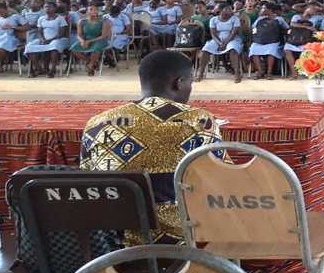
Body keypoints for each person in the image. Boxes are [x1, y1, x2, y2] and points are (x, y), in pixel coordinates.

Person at [80, 50, 227, 244]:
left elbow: (87, 179)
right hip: (186, 244)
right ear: (179, 82)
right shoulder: (199, 120)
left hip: (114, 247)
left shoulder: (98, 123)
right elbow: (223, 180)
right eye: (190, 82)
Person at [198, 6, 244, 83]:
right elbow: (213, 34)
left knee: (233, 50)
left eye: (230, 9)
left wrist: (225, 43)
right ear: (221, 10)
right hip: (217, 40)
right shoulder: (213, 19)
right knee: (205, 50)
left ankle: (237, 73)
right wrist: (219, 43)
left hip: (232, 39)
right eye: (227, 9)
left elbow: (233, 33)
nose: (230, 10)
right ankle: (201, 73)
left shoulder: (235, 19)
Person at [24, 0, 69, 78]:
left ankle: (52, 70)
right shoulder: (41, 18)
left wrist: (50, 40)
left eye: (49, 7)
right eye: (45, 7)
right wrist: (42, 39)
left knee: (54, 46)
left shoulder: (60, 18)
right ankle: (39, 69)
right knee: (29, 46)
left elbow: (61, 34)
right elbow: (40, 31)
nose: (47, 8)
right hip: (44, 39)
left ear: (55, 8)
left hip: (58, 39)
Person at [70, 3, 111, 76]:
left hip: (99, 40)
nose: (94, 11)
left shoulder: (103, 21)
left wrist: (89, 41)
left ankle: (90, 66)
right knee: (73, 49)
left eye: (96, 10)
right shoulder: (81, 21)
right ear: (87, 11)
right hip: (86, 39)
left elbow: (103, 35)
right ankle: (91, 61)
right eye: (91, 9)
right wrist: (82, 41)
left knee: (96, 48)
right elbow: (79, 34)